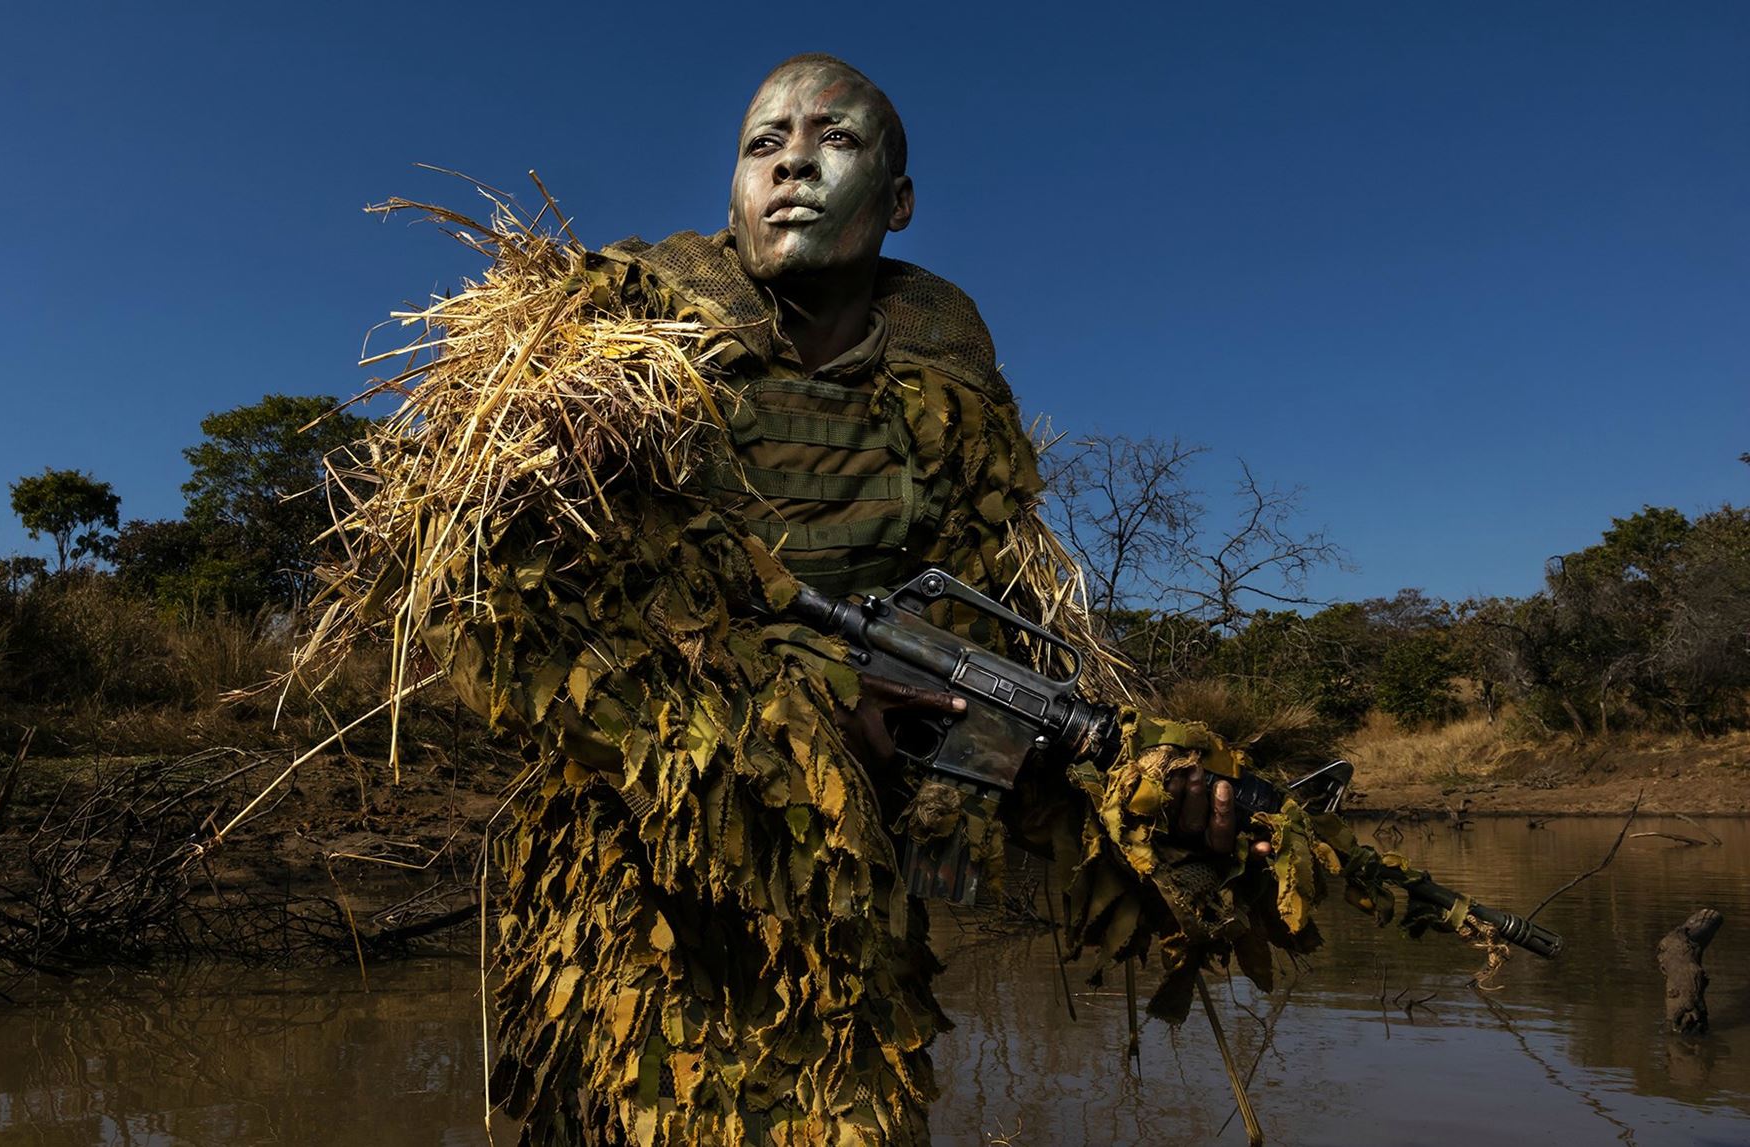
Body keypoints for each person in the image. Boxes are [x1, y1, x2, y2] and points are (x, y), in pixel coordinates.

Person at [449, 53, 1271, 1146]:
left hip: (854, 931)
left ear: (898, 203)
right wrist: (792, 707)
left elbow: (977, 694)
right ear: (731, 196)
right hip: (635, 911)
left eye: (833, 139)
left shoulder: (948, 395)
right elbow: (509, 627)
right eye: (762, 143)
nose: (791, 158)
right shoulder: (615, 347)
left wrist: (1148, 796)